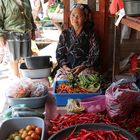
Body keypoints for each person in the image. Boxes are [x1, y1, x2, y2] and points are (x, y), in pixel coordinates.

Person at [53, 3, 100, 81]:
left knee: (86, 82)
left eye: (79, 16)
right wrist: (65, 67)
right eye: (73, 15)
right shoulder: (65, 34)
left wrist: (82, 67)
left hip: (84, 69)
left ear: (85, 18)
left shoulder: (91, 34)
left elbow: (94, 55)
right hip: (67, 69)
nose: (75, 19)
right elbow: (59, 54)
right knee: (61, 82)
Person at [0, 0, 36, 77]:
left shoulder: (26, 0)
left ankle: (26, 81)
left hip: (26, 32)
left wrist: (33, 29)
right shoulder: (3, 1)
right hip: (11, 33)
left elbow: (30, 16)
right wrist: (0, 35)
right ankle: (16, 80)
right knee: (14, 59)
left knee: (27, 58)